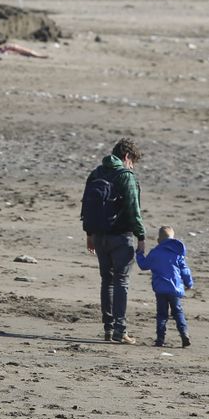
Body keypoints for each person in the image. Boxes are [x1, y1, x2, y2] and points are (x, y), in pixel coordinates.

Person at [80, 137, 146, 344]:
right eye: (133, 161)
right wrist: (141, 236)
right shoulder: (126, 176)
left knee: (106, 281)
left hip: (98, 236)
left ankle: (108, 329)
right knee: (121, 282)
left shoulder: (96, 173)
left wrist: (89, 234)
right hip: (120, 237)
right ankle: (120, 329)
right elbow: (134, 210)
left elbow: (86, 207)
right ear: (127, 157)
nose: (133, 166)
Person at [135, 225, 194, 348]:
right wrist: (189, 283)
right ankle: (184, 335)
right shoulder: (177, 254)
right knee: (178, 313)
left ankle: (160, 339)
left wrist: (139, 253)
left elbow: (144, 265)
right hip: (175, 289)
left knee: (161, 314)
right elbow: (185, 270)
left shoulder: (155, 253)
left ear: (158, 240)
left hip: (160, 289)